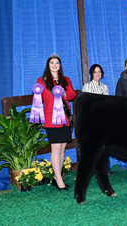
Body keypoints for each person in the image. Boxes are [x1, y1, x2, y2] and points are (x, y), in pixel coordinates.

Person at [37, 53, 76, 190]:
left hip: (64, 118)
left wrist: (64, 92)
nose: (55, 65)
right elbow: (40, 98)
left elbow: (72, 94)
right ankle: (59, 181)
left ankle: (56, 177)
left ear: (60, 66)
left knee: (63, 147)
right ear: (48, 65)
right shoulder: (42, 81)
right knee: (56, 148)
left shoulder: (66, 80)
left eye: (57, 63)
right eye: (52, 63)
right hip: (51, 119)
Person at [82, 64, 116, 175]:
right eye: (95, 72)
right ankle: (93, 169)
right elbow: (86, 105)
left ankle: (106, 168)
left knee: (105, 145)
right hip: (92, 120)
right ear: (92, 73)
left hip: (105, 120)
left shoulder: (104, 87)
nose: (98, 74)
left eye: (99, 71)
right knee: (93, 146)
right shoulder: (87, 87)